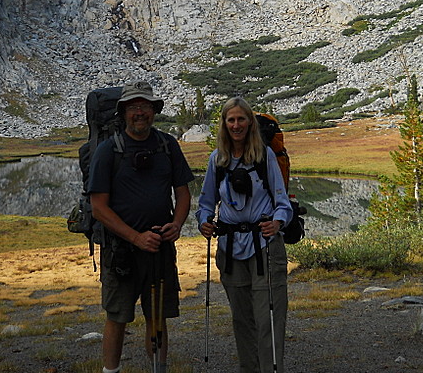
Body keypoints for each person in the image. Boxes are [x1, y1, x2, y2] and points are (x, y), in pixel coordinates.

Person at [89, 80, 194, 373]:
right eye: (134, 107)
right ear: (123, 112)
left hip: (160, 249)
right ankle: (111, 371)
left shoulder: (167, 145)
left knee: (157, 316)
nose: (140, 112)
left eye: (145, 106)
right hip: (121, 251)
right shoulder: (109, 151)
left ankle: (158, 369)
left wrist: (177, 224)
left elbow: (183, 193)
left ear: (153, 111)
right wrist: (135, 238)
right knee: (117, 316)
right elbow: (98, 207)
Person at [196, 96, 293, 373]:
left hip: (264, 247)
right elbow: (205, 203)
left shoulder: (266, 156)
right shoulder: (218, 159)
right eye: (231, 120)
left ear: (250, 122)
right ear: (224, 125)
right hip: (229, 248)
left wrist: (277, 223)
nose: (236, 125)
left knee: (268, 318)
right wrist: (204, 221)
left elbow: (282, 203)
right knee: (241, 319)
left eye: (241, 119)